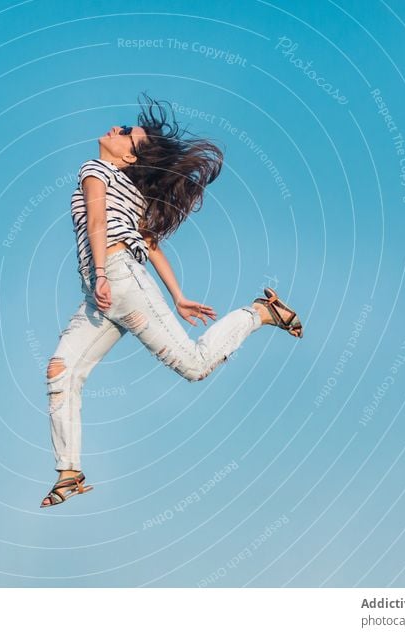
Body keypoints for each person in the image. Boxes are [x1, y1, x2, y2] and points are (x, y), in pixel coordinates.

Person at [41, 94, 303, 507]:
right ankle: (69, 471)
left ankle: (260, 313)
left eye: (128, 134)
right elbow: (151, 244)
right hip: (103, 293)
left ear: (128, 157)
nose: (118, 128)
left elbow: (99, 223)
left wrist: (105, 274)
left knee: (195, 365)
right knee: (61, 372)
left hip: (118, 280)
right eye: (124, 127)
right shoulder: (125, 185)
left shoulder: (95, 170)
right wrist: (178, 297)